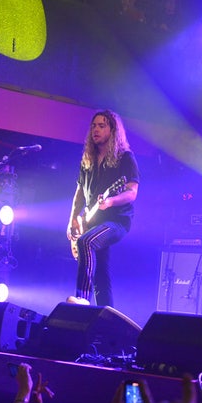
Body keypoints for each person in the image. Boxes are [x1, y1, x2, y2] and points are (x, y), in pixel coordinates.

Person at [66, 110, 139, 307]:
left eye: (101, 125)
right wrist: (73, 218)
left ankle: (82, 298)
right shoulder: (88, 158)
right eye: (93, 125)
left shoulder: (125, 157)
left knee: (86, 242)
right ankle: (108, 322)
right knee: (101, 278)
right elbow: (80, 191)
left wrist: (110, 202)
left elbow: (132, 192)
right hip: (93, 222)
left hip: (116, 221)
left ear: (112, 130)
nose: (95, 129)